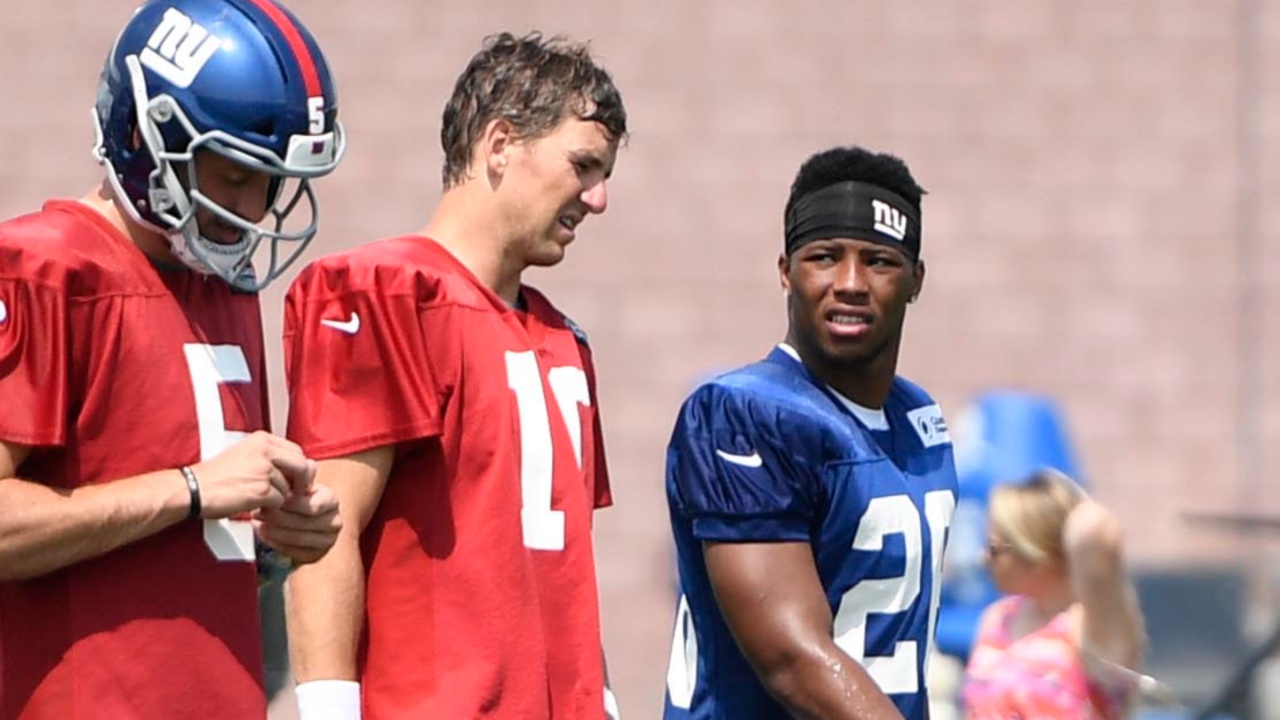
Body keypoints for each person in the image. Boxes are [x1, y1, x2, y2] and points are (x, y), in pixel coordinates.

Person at [0, 0, 345, 717]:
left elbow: (174, 554)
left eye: (269, 180)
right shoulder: (42, 267)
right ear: (141, 134)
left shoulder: (224, 288)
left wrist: (276, 543)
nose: (252, 208)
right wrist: (190, 488)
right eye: (230, 173)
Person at [281, 31, 627, 720]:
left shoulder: (562, 339)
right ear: (499, 143)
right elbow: (326, 529)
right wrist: (328, 710)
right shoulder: (382, 292)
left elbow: (560, 576)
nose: (597, 199)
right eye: (583, 166)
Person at [663, 146, 958, 720]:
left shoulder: (918, 417)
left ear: (916, 280)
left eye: (879, 261)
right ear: (785, 271)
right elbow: (792, 659)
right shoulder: (743, 413)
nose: (850, 283)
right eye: (824, 257)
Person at [961, 469, 1146, 720]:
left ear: (1037, 555)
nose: (984, 558)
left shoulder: (1091, 628)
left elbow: (1095, 529)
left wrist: (1062, 515)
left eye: (994, 549)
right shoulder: (998, 618)